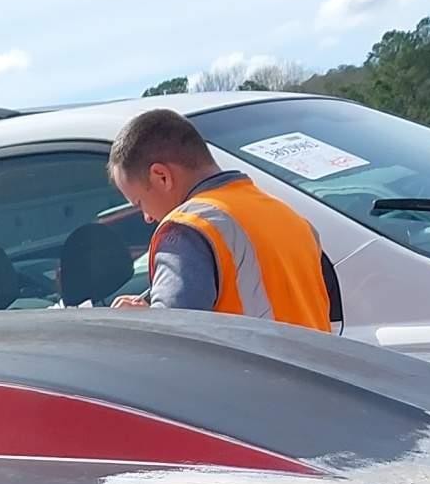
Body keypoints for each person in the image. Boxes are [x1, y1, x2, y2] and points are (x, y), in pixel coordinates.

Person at [104, 108, 337, 330]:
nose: (146, 217)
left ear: (161, 176)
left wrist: (138, 328)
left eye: (139, 203)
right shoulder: (288, 216)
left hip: (248, 372)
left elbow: (171, 351)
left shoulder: (188, 230)